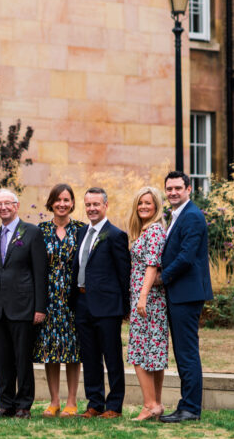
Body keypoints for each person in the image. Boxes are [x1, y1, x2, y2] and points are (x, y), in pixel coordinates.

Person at [0, 189, 48, 419]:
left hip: (23, 306)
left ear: (16, 205)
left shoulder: (32, 232)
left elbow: (40, 272)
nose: (3, 208)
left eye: (7, 203)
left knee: (22, 359)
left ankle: (23, 405)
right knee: (2, 360)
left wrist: (40, 307)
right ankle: (6, 404)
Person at [70, 187, 131, 419]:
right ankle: (95, 403)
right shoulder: (81, 232)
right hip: (82, 302)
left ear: (105, 205)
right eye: (88, 205)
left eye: (96, 204)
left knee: (112, 357)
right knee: (90, 356)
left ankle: (114, 405)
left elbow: (123, 274)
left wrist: (124, 307)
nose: (92, 208)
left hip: (107, 306)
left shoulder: (115, 235)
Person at [159, 171, 213, 423]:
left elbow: (186, 256)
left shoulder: (191, 215)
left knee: (187, 352)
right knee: (183, 352)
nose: (173, 192)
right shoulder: (178, 215)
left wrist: (162, 277)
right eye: (169, 189)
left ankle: (190, 408)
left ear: (188, 189)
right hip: (180, 293)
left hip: (186, 294)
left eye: (178, 188)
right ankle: (186, 405)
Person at [34, 184, 85, 418]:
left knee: (73, 350)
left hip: (74, 297)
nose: (62, 204)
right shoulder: (41, 230)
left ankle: (72, 401)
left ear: (72, 203)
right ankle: (54, 401)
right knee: (50, 350)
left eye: (66, 200)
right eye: (58, 200)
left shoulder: (81, 230)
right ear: (51, 203)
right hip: (48, 297)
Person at [127, 187, 169, 421]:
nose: (143, 206)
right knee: (153, 352)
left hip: (148, 300)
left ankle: (149, 405)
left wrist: (142, 297)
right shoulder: (149, 230)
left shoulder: (153, 231)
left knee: (139, 352)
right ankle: (157, 405)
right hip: (149, 299)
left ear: (156, 206)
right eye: (140, 202)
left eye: (148, 203)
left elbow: (152, 266)